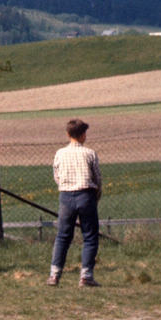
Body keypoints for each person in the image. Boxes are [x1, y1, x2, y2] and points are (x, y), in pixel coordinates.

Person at [48, 119, 103, 288]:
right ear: (83, 135)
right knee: (90, 236)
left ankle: (54, 275)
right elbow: (97, 178)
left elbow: (56, 176)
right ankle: (86, 276)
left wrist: (65, 188)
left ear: (68, 134)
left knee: (63, 237)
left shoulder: (59, 153)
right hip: (86, 194)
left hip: (65, 196)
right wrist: (96, 196)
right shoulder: (90, 153)